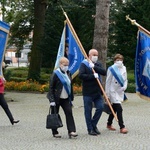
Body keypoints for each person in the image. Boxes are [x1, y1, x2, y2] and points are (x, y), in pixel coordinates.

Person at [47, 57, 78, 138]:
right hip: (56, 98)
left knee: (69, 113)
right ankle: (55, 131)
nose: (66, 66)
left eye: (67, 65)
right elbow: (51, 87)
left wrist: (71, 98)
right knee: (55, 114)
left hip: (66, 98)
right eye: (65, 65)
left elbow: (70, 86)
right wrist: (51, 100)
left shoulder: (68, 73)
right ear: (60, 64)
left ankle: (71, 131)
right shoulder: (56, 74)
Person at [78, 49, 106, 136]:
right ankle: (90, 129)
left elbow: (104, 72)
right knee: (88, 111)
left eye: (96, 55)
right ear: (89, 55)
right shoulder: (84, 64)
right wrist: (92, 76)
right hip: (88, 92)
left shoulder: (97, 64)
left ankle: (93, 124)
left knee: (100, 108)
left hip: (97, 91)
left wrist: (94, 67)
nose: (95, 56)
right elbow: (81, 75)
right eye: (93, 54)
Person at [105, 54, 128, 134]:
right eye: (117, 60)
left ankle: (109, 123)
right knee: (119, 108)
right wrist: (107, 95)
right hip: (113, 91)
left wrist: (124, 87)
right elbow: (108, 82)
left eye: (121, 59)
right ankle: (122, 127)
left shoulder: (124, 68)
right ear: (114, 61)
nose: (119, 61)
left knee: (114, 109)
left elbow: (125, 79)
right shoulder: (111, 69)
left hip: (120, 91)